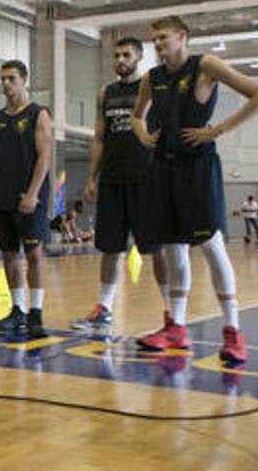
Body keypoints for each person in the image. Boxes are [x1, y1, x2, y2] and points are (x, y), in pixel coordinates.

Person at [131, 15, 258, 363]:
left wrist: (217, 129)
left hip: (198, 167)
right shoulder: (152, 77)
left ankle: (233, 330)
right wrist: (145, 136)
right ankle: (176, 326)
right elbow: (136, 116)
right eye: (155, 39)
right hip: (164, 166)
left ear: (182, 36)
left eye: (163, 37)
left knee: (211, 246)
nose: (158, 44)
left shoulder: (205, 65)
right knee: (173, 250)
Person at [73, 36, 168, 332]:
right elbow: (100, 138)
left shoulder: (152, 88)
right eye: (116, 55)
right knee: (110, 248)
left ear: (139, 57)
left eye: (126, 55)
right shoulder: (107, 93)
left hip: (146, 180)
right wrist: (91, 177)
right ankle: (104, 307)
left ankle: (170, 312)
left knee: (155, 249)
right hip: (112, 180)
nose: (120, 60)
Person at [0, 60, 54, 339]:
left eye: (12, 78)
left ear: (24, 80)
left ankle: (36, 312)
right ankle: (17, 310)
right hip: (2, 195)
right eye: (3, 79)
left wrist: (33, 193)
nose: (6, 84)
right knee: (8, 253)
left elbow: (45, 157)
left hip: (29, 197)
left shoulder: (38, 114)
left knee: (34, 254)